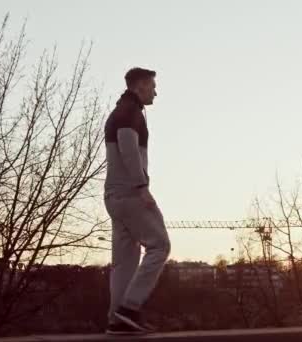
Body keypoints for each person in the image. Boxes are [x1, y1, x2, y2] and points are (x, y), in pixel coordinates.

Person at [103, 67, 170, 335]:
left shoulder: (121, 110)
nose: (155, 91)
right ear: (140, 86)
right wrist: (141, 186)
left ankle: (117, 321)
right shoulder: (130, 112)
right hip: (130, 194)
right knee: (160, 245)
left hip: (114, 196)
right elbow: (127, 147)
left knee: (125, 261)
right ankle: (129, 308)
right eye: (152, 86)